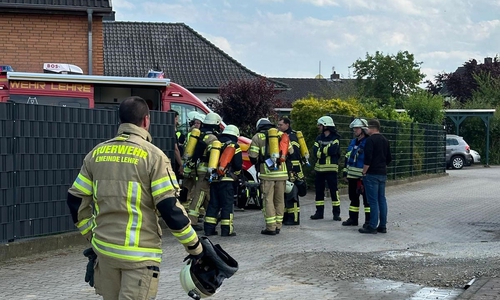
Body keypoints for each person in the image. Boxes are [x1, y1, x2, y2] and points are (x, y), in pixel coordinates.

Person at [66, 96, 203, 299]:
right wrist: (195, 247)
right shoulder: (153, 157)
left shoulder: (96, 153)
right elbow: (169, 208)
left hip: (105, 253)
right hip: (139, 256)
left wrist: (92, 236)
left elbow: (75, 200)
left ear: (121, 120)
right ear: (146, 120)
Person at [249, 118, 293, 235]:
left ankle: (271, 228)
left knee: (268, 200)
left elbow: (253, 156)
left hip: (267, 175)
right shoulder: (282, 135)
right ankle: (278, 226)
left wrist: (260, 162)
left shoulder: (257, 137)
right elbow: (291, 152)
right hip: (282, 174)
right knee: (279, 201)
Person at [204, 124, 242, 237]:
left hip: (214, 179)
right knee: (227, 205)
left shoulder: (214, 144)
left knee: (213, 204)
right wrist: (236, 175)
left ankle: (209, 230)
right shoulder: (234, 146)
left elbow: (207, 159)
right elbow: (238, 165)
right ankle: (227, 230)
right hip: (227, 181)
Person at [188, 112, 222, 231]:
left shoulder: (200, 134)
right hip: (205, 170)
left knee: (207, 194)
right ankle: (192, 221)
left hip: (197, 168)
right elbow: (212, 155)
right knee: (199, 195)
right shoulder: (213, 138)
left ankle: (212, 216)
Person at [359, 119, 392, 234]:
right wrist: (382, 165)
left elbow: (368, 159)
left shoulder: (370, 140)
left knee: (372, 201)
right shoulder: (385, 140)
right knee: (382, 199)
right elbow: (389, 158)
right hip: (382, 173)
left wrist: (364, 172)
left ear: (373, 128)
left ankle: (372, 226)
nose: (366, 130)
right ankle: (382, 226)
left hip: (371, 174)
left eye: (367, 127)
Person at [310, 116, 342, 221]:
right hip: (319, 169)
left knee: (334, 191)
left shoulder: (335, 138)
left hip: (331, 169)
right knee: (319, 191)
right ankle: (319, 212)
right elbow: (315, 152)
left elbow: (333, 150)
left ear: (325, 126)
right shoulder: (319, 138)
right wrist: (325, 151)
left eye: (320, 125)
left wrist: (322, 151)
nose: (318, 127)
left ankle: (336, 213)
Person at [342, 118, 370, 227]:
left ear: (363, 129)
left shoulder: (368, 142)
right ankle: (353, 219)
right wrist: (345, 172)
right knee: (353, 198)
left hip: (363, 176)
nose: (355, 130)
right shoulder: (353, 142)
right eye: (354, 128)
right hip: (352, 176)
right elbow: (347, 157)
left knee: (367, 200)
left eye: (357, 128)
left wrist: (365, 174)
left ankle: (368, 221)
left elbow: (368, 159)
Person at [277, 117, 303, 225]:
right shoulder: (282, 136)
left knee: (293, 194)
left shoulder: (291, 136)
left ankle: (294, 219)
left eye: (281, 125)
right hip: (287, 168)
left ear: (287, 125)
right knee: (285, 193)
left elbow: (295, 154)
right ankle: (286, 217)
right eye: (278, 125)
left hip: (293, 169)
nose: (279, 127)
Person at [180, 111, 205, 208]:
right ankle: (187, 208)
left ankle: (190, 209)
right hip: (191, 165)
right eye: (195, 123)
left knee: (192, 189)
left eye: (198, 123)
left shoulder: (193, 133)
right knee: (189, 189)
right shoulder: (193, 134)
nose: (196, 125)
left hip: (191, 165)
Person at [167, 109, 184, 179]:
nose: (177, 121)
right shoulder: (171, 132)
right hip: (173, 163)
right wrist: (181, 164)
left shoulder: (164, 129)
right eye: (176, 119)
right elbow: (175, 149)